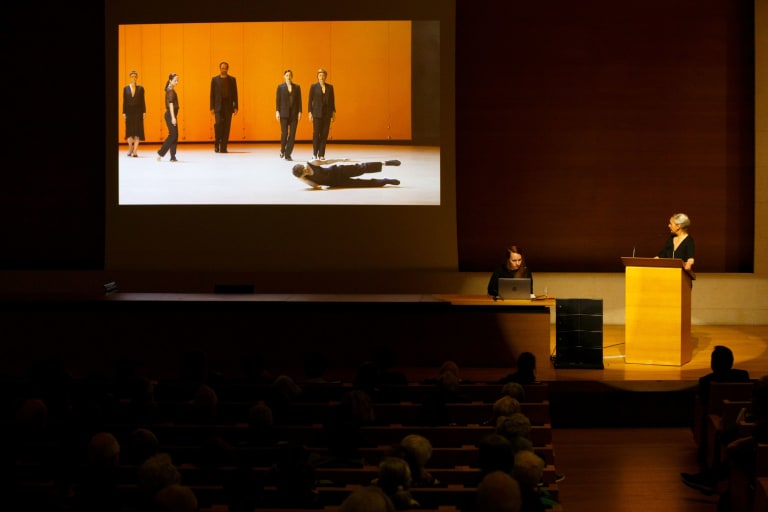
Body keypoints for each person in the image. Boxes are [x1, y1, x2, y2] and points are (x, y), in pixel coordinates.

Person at [292, 158, 401, 189]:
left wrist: (342, 160)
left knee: (361, 168)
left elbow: (326, 161)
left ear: (303, 166)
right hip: (337, 182)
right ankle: (385, 181)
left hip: (338, 170)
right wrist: (302, 179)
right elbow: (316, 186)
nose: (306, 171)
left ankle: (386, 163)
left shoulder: (311, 163)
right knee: (360, 184)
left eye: (305, 169)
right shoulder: (306, 179)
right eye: (304, 173)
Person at [210, 61, 238, 153]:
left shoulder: (232, 80)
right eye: (222, 68)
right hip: (218, 106)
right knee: (218, 125)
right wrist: (212, 107)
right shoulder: (215, 80)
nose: (224, 69)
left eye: (225, 68)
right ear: (220, 68)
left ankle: (223, 147)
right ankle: (217, 143)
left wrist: (236, 106)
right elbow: (212, 94)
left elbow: (235, 94)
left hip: (228, 106)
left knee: (227, 127)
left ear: (227, 69)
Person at [308, 68, 336, 160]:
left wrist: (333, 113)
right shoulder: (313, 87)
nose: (322, 77)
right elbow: (310, 101)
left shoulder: (330, 87)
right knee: (316, 134)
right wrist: (310, 112)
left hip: (327, 114)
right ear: (317, 76)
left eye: (323, 75)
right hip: (316, 113)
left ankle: (321, 154)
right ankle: (315, 153)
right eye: (320, 75)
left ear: (326, 77)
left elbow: (332, 101)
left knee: (324, 134)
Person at [275, 69, 302, 161]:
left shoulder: (297, 87)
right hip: (284, 113)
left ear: (292, 76)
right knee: (285, 133)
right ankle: (282, 149)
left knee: (292, 134)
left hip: (294, 114)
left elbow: (299, 101)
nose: (288, 77)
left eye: (290, 75)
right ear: (284, 76)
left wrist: (300, 112)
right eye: (287, 75)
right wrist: (277, 111)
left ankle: (288, 154)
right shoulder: (280, 87)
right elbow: (278, 100)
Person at [122, 70, 146, 157]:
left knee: (137, 132)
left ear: (137, 77)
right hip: (129, 112)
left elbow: (143, 101)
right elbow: (124, 101)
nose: (134, 78)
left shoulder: (141, 88)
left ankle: (135, 152)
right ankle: (130, 149)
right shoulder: (125, 89)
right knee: (129, 132)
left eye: (135, 76)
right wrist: (123, 112)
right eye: (132, 76)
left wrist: (144, 112)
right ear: (130, 77)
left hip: (138, 112)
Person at [157, 73, 180, 162]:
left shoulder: (170, 89)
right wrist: (173, 118)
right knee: (173, 135)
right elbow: (171, 104)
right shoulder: (170, 91)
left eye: (177, 80)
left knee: (175, 135)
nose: (177, 82)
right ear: (170, 81)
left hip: (171, 115)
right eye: (175, 80)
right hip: (170, 115)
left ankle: (172, 156)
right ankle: (161, 153)